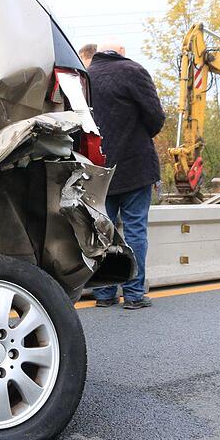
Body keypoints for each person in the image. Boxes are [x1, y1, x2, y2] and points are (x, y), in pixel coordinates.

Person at [88, 39, 166, 309]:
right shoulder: (133, 71)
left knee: (103, 232)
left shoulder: (84, 76)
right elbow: (156, 117)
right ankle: (133, 295)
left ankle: (104, 293)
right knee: (134, 230)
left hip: (99, 170)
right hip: (135, 167)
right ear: (121, 53)